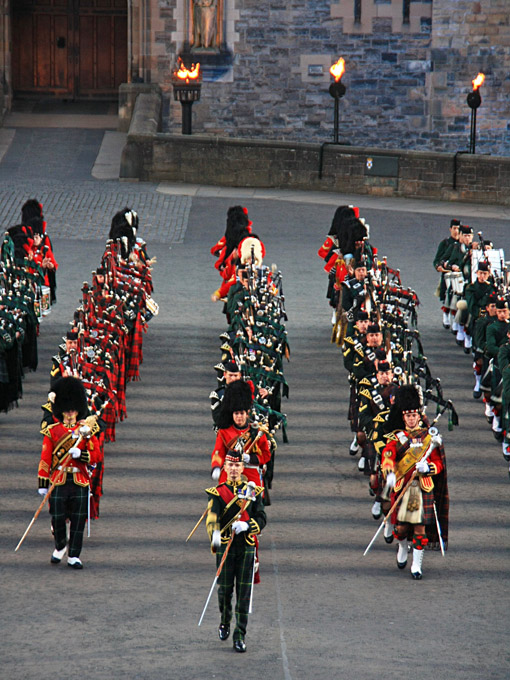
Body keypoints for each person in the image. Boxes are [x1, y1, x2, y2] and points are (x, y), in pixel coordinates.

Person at [381, 385, 448, 580]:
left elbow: (438, 464)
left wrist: (428, 468)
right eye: (408, 416)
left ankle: (416, 566)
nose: (411, 419)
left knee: (420, 529)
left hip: (423, 486)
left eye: (414, 415)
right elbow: (388, 456)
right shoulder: (397, 438)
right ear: (403, 418)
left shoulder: (429, 439)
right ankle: (402, 546)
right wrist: (390, 472)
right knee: (401, 529)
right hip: (404, 486)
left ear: (419, 416)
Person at [205, 450, 266, 652]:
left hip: (246, 545)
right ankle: (225, 620)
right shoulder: (218, 492)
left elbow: (262, 518)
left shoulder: (253, 491)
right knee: (224, 590)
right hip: (225, 545)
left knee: (244, 593)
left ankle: (240, 634)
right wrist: (215, 541)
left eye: (237, 465)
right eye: (229, 465)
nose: (233, 469)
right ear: (225, 468)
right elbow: (212, 519)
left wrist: (248, 525)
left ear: (242, 468)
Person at [38, 377, 101, 569]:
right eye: (67, 409)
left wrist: (80, 454)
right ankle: (60, 546)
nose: (71, 412)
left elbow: (96, 455)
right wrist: (42, 483)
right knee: (57, 515)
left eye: (73, 408)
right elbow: (45, 457)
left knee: (77, 519)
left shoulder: (86, 430)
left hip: (80, 480)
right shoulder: (53, 431)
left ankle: (74, 554)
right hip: (59, 479)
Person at [211, 380, 271, 491]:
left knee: (255, 504)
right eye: (236, 414)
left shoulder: (257, 431)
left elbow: (266, 455)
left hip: (250, 473)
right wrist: (216, 467)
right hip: (229, 472)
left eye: (242, 413)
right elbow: (218, 452)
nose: (239, 417)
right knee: (218, 498)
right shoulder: (224, 432)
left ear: (247, 413)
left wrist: (250, 458)